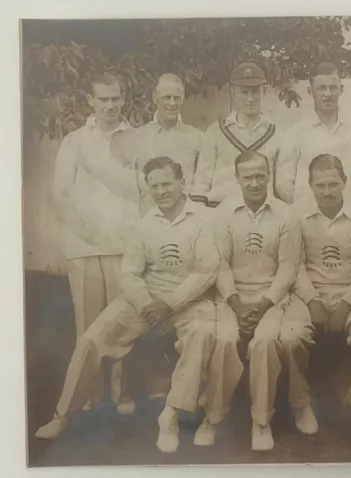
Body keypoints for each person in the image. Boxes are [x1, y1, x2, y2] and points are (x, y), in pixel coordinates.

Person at [36, 157, 239, 453]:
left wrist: (168, 305)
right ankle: (62, 415)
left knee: (203, 334)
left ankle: (170, 415)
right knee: (92, 339)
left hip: (192, 298)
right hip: (146, 299)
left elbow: (206, 271)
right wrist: (148, 305)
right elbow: (130, 272)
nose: (161, 191)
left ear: (183, 183)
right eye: (154, 186)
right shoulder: (144, 224)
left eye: (167, 183)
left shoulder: (205, 219)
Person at [215, 151, 315, 451]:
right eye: (248, 177)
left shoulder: (287, 214)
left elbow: (288, 266)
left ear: (269, 176)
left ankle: (261, 421)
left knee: (266, 341)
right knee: (221, 339)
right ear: (237, 179)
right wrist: (236, 304)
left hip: (273, 297)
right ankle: (213, 414)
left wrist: (263, 304)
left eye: (261, 175)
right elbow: (218, 264)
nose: (255, 182)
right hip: (232, 297)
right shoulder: (222, 214)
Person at [51, 71, 138, 415]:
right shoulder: (74, 141)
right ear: (91, 101)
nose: (110, 105)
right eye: (103, 99)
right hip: (85, 247)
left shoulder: (136, 139)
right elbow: (60, 195)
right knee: (88, 326)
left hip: (123, 246)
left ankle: (121, 394)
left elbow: (143, 191)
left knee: (120, 323)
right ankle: (88, 393)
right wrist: (88, 233)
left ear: (123, 99)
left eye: (116, 98)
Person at [294, 154, 351, 433]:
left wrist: (346, 305)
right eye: (320, 185)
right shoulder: (298, 218)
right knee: (290, 336)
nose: (327, 192)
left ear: (345, 182)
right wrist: (312, 301)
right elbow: (294, 266)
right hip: (309, 293)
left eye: (333, 184)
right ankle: (302, 401)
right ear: (310, 186)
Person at [275, 61, 351, 212]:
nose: (328, 94)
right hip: (308, 220)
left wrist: (349, 204)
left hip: (349, 218)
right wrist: (306, 208)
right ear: (310, 91)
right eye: (321, 88)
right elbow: (283, 183)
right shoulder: (296, 133)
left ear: (341, 89)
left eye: (333, 88)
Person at [111, 73, 207, 216]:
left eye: (177, 98)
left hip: (188, 222)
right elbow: (126, 189)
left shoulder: (197, 138)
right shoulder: (137, 138)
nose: (172, 103)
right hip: (149, 222)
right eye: (166, 98)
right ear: (155, 98)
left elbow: (204, 183)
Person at [191, 62, 281, 207]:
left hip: (262, 213)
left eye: (255, 92)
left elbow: (281, 184)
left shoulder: (276, 133)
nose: (250, 99)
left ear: (263, 91)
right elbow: (202, 179)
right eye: (244, 92)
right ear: (233, 92)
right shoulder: (216, 131)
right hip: (220, 210)